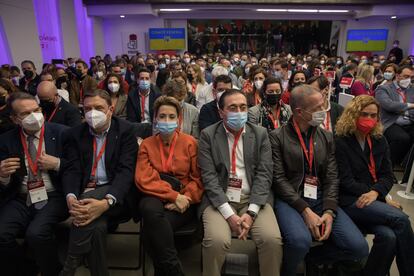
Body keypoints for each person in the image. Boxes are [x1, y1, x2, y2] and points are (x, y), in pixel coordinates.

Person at [270, 85, 369, 276]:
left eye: (323, 106)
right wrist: (305, 211)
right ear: (299, 111)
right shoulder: (277, 137)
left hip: (320, 196)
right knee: (300, 241)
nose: (324, 112)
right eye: (317, 108)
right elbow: (278, 179)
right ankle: (288, 270)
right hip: (290, 199)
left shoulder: (326, 136)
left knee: (359, 248)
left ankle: (313, 259)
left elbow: (332, 176)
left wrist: (330, 211)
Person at [198, 89, 283, 276]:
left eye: (243, 107)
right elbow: (209, 178)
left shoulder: (260, 134)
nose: (239, 112)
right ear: (221, 112)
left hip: (253, 198)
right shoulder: (208, 135)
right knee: (216, 241)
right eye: (232, 107)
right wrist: (230, 215)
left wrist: (251, 213)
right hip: (218, 199)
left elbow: (264, 174)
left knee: (272, 240)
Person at [60, 89, 138, 276]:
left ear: (110, 109)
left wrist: (106, 202)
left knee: (85, 205)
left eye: (98, 108)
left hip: (117, 195)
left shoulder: (125, 130)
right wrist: (70, 196)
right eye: (87, 108)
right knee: (95, 226)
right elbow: (72, 170)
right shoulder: (75, 134)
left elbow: (125, 172)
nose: (92, 113)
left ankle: (70, 265)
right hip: (85, 195)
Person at [335, 95, 414, 276]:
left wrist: (376, 193)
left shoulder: (380, 139)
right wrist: (378, 196)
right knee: (401, 219)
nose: (369, 120)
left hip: (371, 199)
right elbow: (345, 182)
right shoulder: (340, 141)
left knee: (389, 236)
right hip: (348, 200)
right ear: (353, 115)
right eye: (364, 114)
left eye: (373, 115)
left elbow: (388, 176)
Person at [0, 92, 68, 276]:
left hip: (53, 194)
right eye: (25, 113)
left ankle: (53, 271)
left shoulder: (61, 133)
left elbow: (78, 169)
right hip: (20, 196)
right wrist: (3, 176)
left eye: (36, 110)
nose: (34, 116)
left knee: (36, 233)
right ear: (15, 119)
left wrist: (58, 164)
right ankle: (26, 268)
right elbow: (4, 186)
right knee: (2, 235)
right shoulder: (5, 140)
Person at [135, 96, 204, 276]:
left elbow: (198, 178)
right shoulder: (147, 145)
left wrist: (185, 197)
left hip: (185, 199)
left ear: (179, 120)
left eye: (172, 117)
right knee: (148, 207)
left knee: (151, 232)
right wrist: (174, 196)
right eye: (162, 116)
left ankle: (162, 270)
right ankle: (174, 269)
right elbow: (144, 179)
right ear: (155, 119)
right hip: (157, 195)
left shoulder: (190, 143)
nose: (167, 121)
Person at [375, 65, 414, 167]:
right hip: (391, 122)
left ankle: (407, 169)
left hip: (409, 121)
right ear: (397, 76)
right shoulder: (383, 89)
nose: (408, 80)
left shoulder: (411, 90)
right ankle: (387, 168)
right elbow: (389, 105)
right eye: (406, 76)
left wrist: (404, 108)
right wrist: (410, 106)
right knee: (402, 139)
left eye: (411, 77)